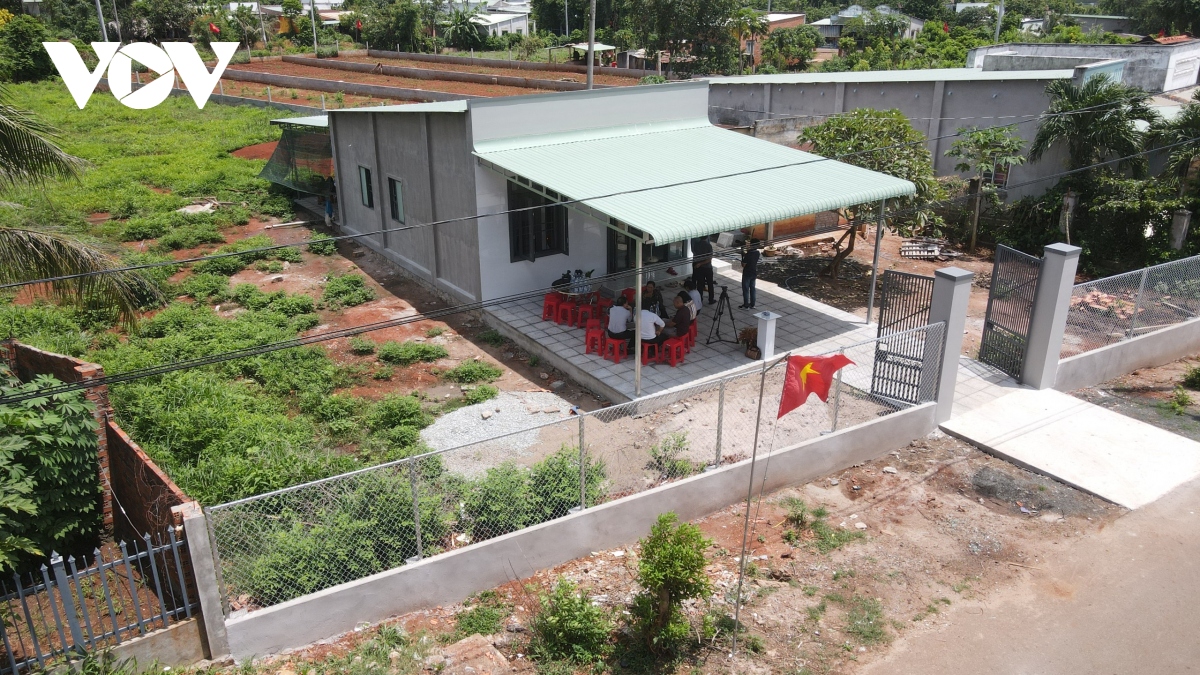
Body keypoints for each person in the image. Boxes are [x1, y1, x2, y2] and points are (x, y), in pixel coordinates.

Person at [691, 236, 716, 304]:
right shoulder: (708, 246)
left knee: (700, 284)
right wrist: (701, 263)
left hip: (699, 268)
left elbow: (694, 253)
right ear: (707, 238)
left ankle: (700, 299)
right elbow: (709, 258)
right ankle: (711, 299)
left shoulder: (696, 245)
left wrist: (698, 264)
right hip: (707, 268)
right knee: (710, 284)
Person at [740, 240, 761, 309]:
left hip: (747, 273)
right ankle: (752, 304)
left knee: (746, 289)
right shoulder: (757, 253)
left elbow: (743, 265)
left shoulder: (748, 254)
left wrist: (743, 256)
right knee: (752, 289)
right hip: (753, 272)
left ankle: (746, 305)